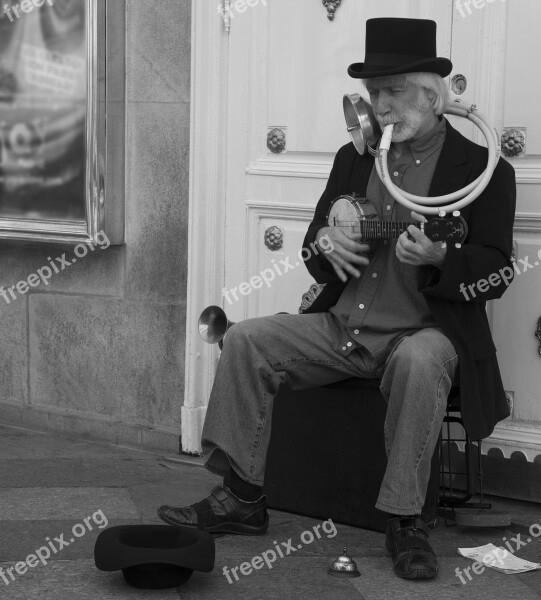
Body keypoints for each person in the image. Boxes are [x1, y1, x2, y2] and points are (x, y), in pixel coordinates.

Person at [158, 17, 517, 581]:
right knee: (249, 340)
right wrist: (326, 240)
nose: (381, 105)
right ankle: (243, 498)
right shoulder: (354, 157)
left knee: (421, 359)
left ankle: (405, 522)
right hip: (344, 326)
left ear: (431, 94)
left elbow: (498, 271)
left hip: (422, 332)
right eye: (374, 93)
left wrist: (444, 260)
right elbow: (314, 247)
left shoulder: (486, 171)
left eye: (394, 91)